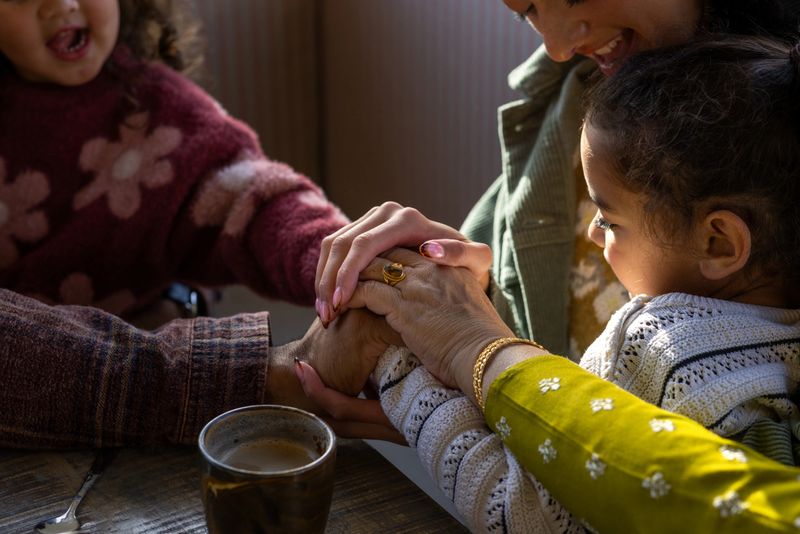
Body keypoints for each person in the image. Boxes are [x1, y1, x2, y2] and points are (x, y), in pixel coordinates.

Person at [300, 35, 800, 532]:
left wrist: (405, 370)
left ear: (719, 244)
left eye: (609, 219)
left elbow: (517, 509)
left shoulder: (663, 342)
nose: (592, 231)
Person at [0, 0, 402, 449]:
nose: (62, 4)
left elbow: (253, 198)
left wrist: (349, 264)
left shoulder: (159, 110)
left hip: (142, 432)